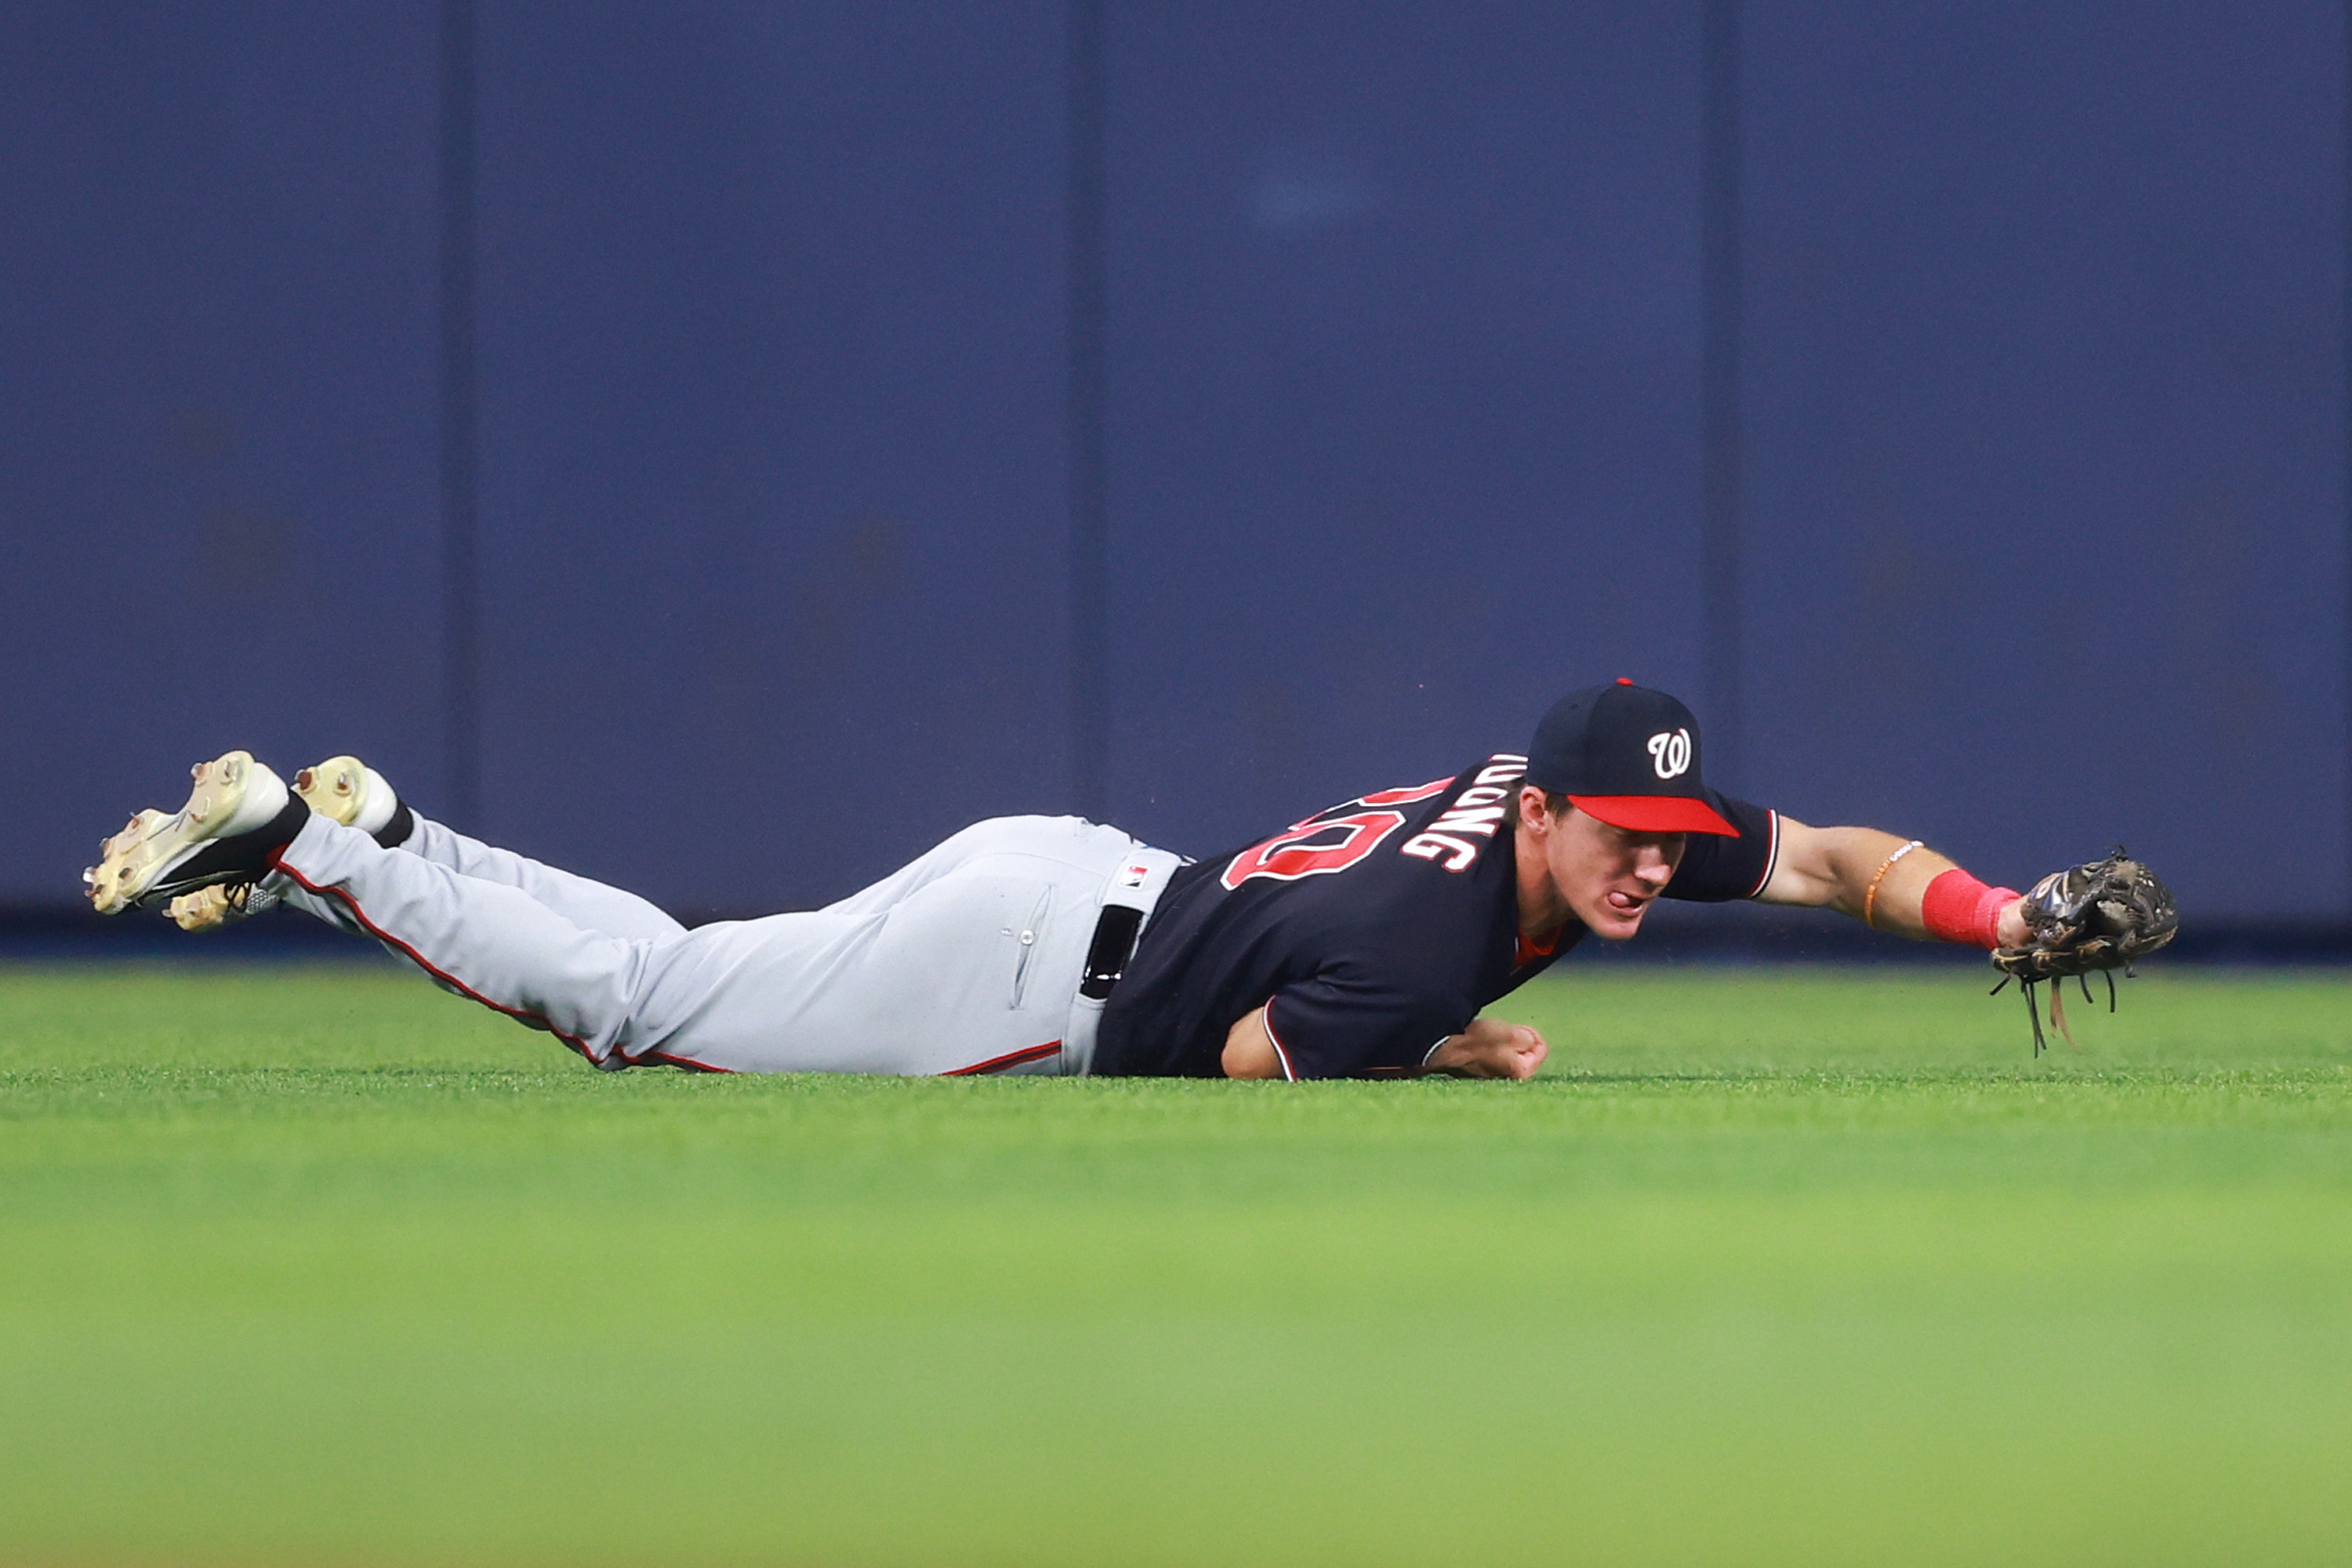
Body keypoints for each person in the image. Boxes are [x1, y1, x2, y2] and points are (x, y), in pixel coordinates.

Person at [84, 681, 2031, 1080]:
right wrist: (1428, 1049)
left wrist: (2001, 919)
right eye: (1628, 842)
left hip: (1063, 872)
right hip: (1025, 987)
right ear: (1544, 815)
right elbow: (1266, 1053)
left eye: (1670, 849)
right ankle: (306, 845)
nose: (1654, 874)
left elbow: (1841, 857)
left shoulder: (1550, 811)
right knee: (644, 1018)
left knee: (686, 962)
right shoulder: (1441, 930)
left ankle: (399, 836)